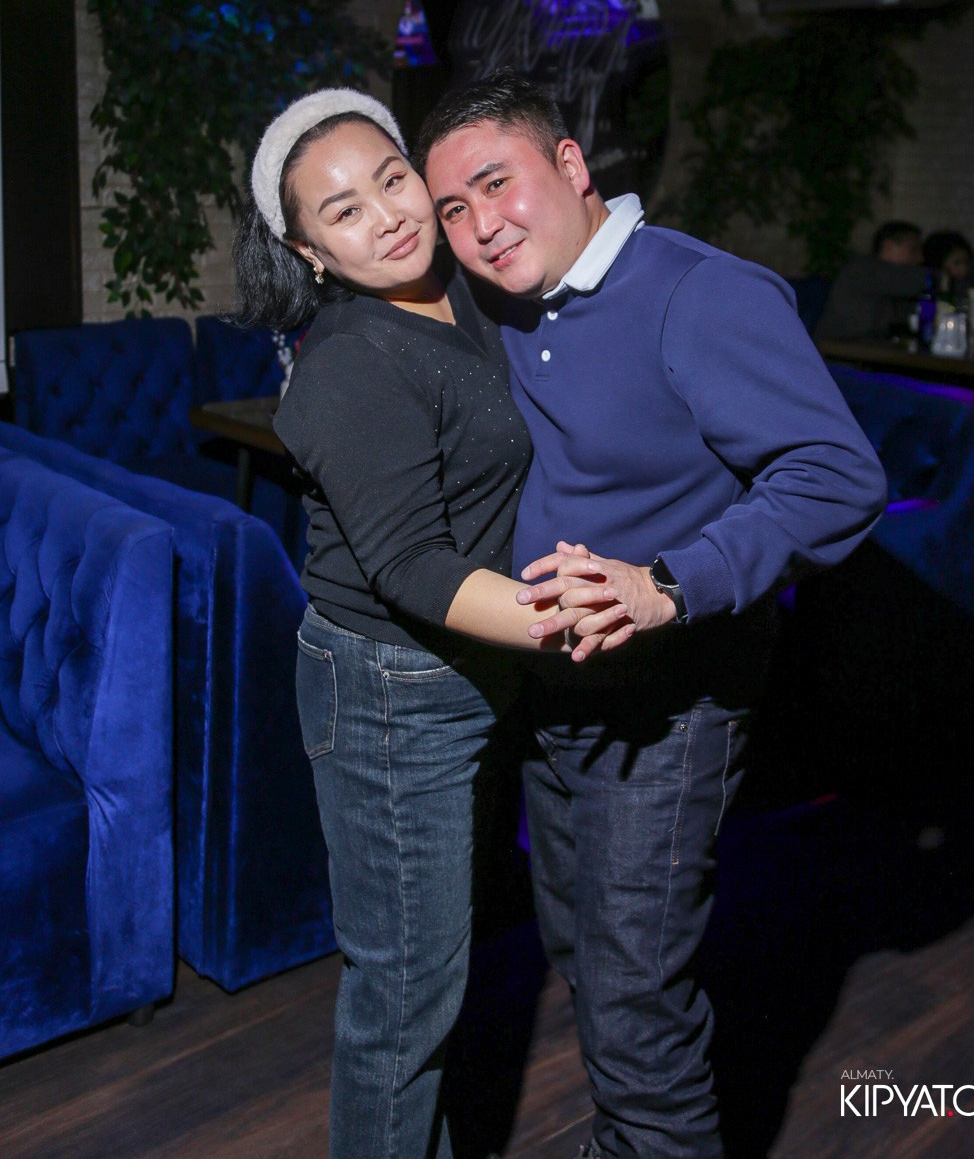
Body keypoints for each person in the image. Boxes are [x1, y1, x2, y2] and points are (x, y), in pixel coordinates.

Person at [417, 72, 888, 1159]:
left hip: (672, 708)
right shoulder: (507, 301)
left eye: (497, 182)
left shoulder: (700, 293)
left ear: (571, 164)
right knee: (583, 953)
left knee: (634, 994)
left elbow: (834, 475)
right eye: (455, 208)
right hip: (552, 693)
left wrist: (667, 584)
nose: (482, 225)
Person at [232, 87, 604, 1159]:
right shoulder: (351, 363)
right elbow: (411, 569)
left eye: (391, 179)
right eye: (342, 211)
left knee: (437, 971)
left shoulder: (461, 293)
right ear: (307, 251)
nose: (386, 216)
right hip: (391, 688)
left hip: (464, 668)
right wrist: (582, 621)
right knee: (404, 1002)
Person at [814, 218, 928, 343]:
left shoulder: (891, 284)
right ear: (888, 246)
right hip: (835, 350)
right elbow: (917, 281)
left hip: (859, 349)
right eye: (913, 250)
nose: (920, 258)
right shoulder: (863, 270)